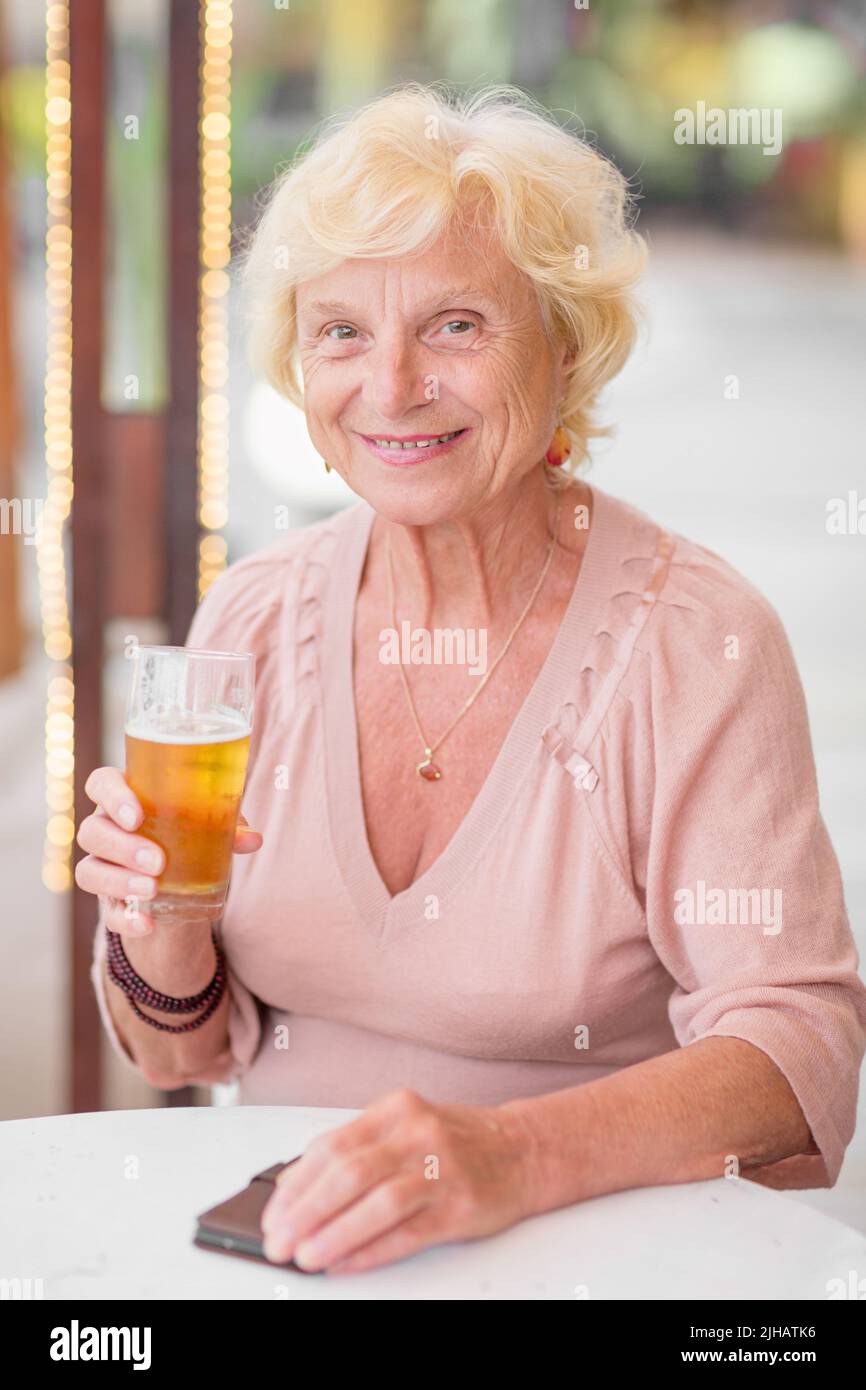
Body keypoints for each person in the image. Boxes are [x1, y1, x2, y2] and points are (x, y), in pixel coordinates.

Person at [77, 84, 866, 1275]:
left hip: (603, 1264)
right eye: (341, 331)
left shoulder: (692, 641)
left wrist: (504, 1156)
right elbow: (180, 1057)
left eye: (453, 326)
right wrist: (162, 929)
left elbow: (797, 1045)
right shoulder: (252, 612)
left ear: (561, 345)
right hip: (304, 1246)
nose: (390, 388)